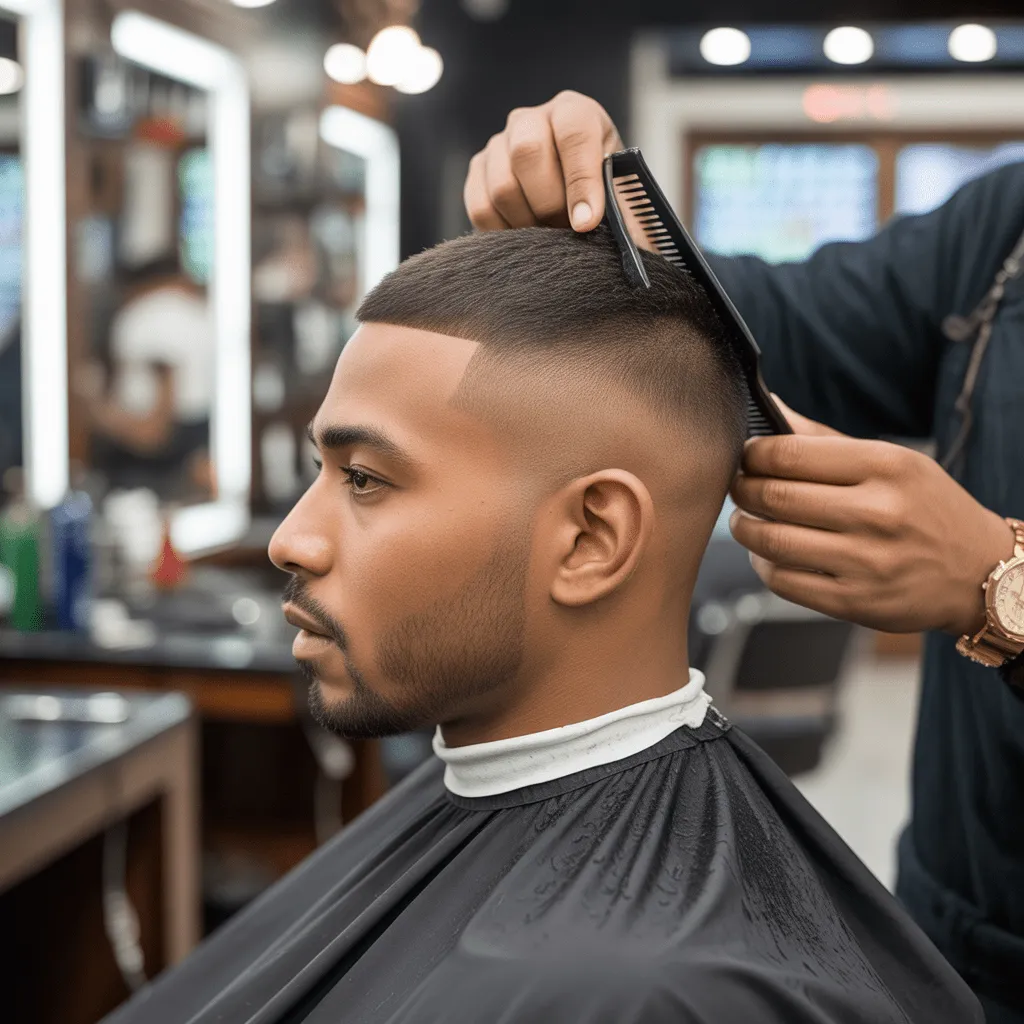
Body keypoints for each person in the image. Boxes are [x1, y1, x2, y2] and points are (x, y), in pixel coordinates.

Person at [105, 228, 980, 1024]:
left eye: (365, 479)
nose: (293, 537)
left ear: (591, 539)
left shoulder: (645, 995)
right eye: (319, 471)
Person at [462, 90, 1024, 1023]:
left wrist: (999, 580)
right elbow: (768, 333)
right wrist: (613, 231)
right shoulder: (1005, 236)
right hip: (956, 934)